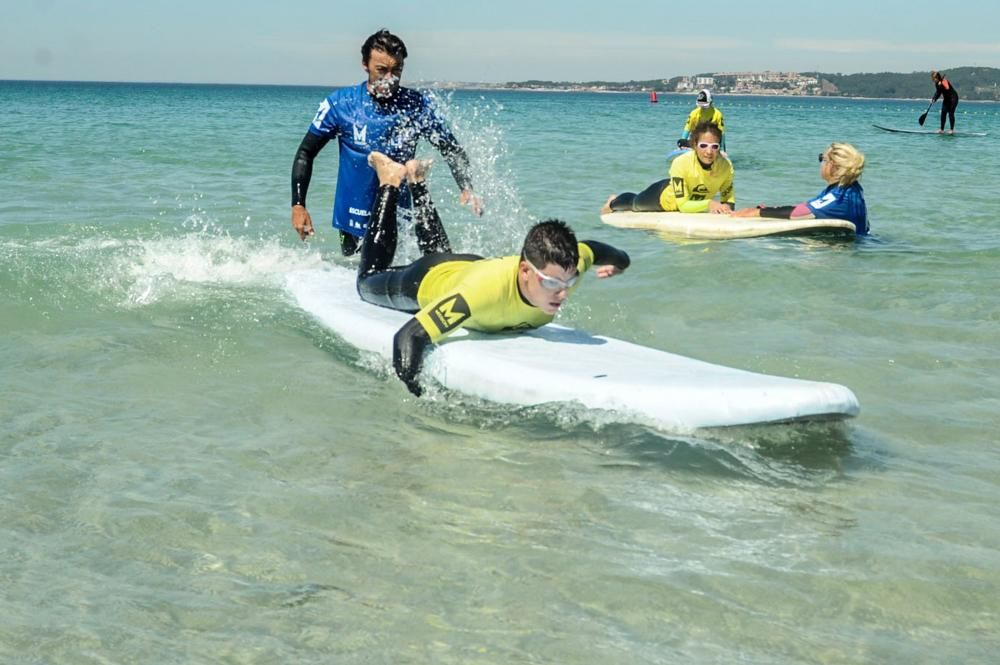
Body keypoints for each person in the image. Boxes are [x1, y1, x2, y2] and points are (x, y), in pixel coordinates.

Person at [359, 151, 631, 396]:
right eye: (550, 283)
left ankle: (417, 181)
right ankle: (391, 181)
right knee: (367, 280)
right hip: (426, 279)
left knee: (439, 251)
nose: (563, 292)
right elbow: (409, 336)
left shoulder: (567, 267)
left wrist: (622, 263)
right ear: (525, 270)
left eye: (569, 281)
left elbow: (593, 249)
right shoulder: (477, 297)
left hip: (467, 268)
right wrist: (418, 394)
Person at [290, 29, 483, 256]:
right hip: (353, 218)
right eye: (382, 70)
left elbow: (450, 148)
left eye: (396, 70)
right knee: (356, 275)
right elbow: (306, 153)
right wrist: (298, 205)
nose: (389, 78)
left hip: (400, 215)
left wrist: (467, 187)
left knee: (401, 270)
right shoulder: (340, 104)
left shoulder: (416, 106)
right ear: (365, 64)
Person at [730, 142, 868, 235]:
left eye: (822, 159)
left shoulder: (837, 197)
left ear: (834, 166)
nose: (820, 163)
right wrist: (769, 209)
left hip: (851, 248)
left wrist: (756, 212)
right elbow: (809, 207)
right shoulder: (850, 188)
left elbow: (798, 213)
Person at [603, 122, 734, 215]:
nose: (709, 151)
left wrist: (727, 209)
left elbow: (728, 199)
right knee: (634, 204)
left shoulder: (725, 167)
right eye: (704, 145)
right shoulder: (681, 163)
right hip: (662, 199)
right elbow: (683, 206)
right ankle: (612, 201)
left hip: (690, 201)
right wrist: (709, 204)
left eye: (714, 146)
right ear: (694, 144)